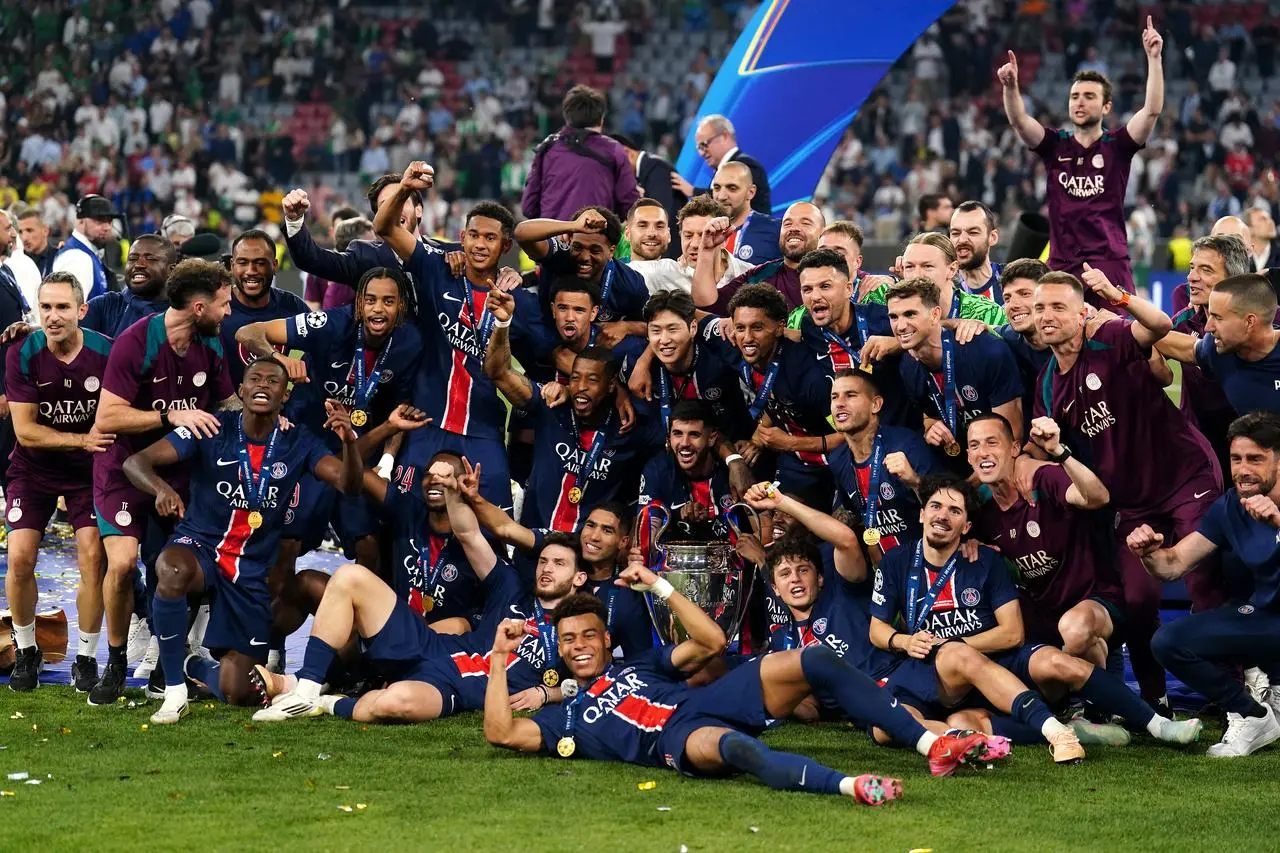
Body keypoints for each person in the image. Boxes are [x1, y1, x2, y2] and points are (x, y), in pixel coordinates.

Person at [485, 563, 1014, 795]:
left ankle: (931, 742)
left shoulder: (637, 664)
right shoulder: (565, 717)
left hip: (710, 698)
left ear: (604, 639)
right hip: (675, 740)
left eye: (589, 636)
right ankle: (850, 785)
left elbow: (713, 642)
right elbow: (501, 733)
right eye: (570, 640)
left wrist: (659, 586)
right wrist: (497, 658)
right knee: (736, 750)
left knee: (814, 659)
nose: (580, 646)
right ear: (558, 645)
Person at [121, 357, 362, 724]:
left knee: (240, 692)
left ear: (285, 394)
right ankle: (173, 691)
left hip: (249, 571)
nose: (263, 385)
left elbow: (349, 484)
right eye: (255, 379)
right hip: (200, 546)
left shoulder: (299, 441)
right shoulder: (211, 427)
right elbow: (136, 463)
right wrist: (161, 489)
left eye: (273, 381)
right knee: (170, 569)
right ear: (242, 389)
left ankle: (195, 665)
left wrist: (349, 444)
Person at [1032, 269, 1223, 706]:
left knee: (1206, 577)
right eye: (1041, 308)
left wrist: (1117, 296)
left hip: (1183, 476)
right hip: (1131, 504)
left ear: (1083, 314)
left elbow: (1158, 327)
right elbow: (1045, 452)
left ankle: (1233, 695)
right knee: (1137, 601)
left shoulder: (1113, 339)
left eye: (1058, 307)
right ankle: (1154, 703)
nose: (1046, 316)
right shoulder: (1046, 383)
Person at [88, 259, 236, 707]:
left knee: (173, 565)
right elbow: (107, 416)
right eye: (223, 304)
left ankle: (162, 666)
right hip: (123, 468)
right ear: (197, 307)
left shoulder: (210, 344)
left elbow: (227, 402)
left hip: (178, 470)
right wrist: (170, 414)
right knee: (121, 563)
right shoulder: (138, 341)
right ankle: (115, 660)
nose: (228, 312)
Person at [254, 529, 584, 724]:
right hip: (431, 646)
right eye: (543, 561)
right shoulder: (514, 590)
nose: (546, 569)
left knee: (390, 704)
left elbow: (602, 679)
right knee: (350, 577)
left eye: (559, 564)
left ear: (579, 577)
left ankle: (322, 702)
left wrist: (548, 692)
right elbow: (469, 533)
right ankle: (306, 688)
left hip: (454, 689)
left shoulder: (581, 625)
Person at [375, 170, 548, 510]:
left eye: (490, 238)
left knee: (495, 515)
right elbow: (384, 227)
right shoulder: (437, 268)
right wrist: (406, 187)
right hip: (428, 420)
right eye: (473, 235)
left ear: (506, 246)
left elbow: (549, 355)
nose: (480, 245)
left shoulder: (521, 303)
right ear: (462, 237)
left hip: (482, 425)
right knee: (405, 512)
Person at [237, 266, 421, 568]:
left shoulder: (409, 341)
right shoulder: (331, 323)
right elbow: (249, 332)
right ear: (358, 302)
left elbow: (401, 405)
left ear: (401, 305)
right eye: (371, 300)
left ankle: (362, 611)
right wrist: (280, 359)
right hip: (307, 444)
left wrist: (387, 461)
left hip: (354, 448)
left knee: (369, 544)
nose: (378, 309)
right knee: (289, 543)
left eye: (388, 301)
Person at [1129, 412, 1280, 756]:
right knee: (1168, 641)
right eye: (1236, 459)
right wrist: (1148, 553)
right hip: (1265, 619)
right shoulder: (1230, 506)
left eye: (1255, 459)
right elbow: (1175, 564)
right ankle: (1253, 714)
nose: (1243, 470)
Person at [4, 273, 114, 692]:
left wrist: (90, 446)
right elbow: (27, 431)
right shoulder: (22, 351)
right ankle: (27, 650)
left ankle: (86, 658)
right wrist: (82, 439)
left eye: (63, 307)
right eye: (45, 307)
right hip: (33, 469)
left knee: (92, 558)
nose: (52, 316)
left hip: (89, 473)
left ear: (81, 311)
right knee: (19, 558)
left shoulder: (107, 351)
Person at [999, 17, 1164, 296]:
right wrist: (1011, 87)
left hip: (1109, 263)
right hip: (1062, 265)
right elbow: (1019, 121)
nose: (1080, 102)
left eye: (1089, 96)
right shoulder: (1055, 145)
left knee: (1117, 337)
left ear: (1106, 107)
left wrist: (1154, 58)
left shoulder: (1117, 145)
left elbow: (1150, 111)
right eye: (1075, 96)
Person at [484, 283, 658, 541]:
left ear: (612, 386)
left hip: (589, 555)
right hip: (535, 546)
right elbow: (498, 372)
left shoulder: (629, 428)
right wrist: (502, 325)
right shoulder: (552, 406)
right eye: (575, 378)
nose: (581, 388)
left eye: (592, 381)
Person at [967, 413, 1122, 665]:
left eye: (992, 442)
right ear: (968, 457)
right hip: (1043, 615)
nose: (983, 452)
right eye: (975, 446)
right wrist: (969, 544)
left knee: (1074, 630)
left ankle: (1102, 697)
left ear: (1015, 448)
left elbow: (1097, 497)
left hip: (1094, 601)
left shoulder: (1042, 478)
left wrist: (1059, 453)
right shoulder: (981, 510)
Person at [460, 483, 656, 661]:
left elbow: (640, 660)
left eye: (607, 531)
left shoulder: (625, 594)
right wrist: (474, 497)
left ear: (623, 541)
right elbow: (506, 528)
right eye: (590, 525)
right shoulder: (562, 543)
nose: (594, 536)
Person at [718, 282, 839, 502]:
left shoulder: (808, 376)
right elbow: (689, 315)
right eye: (740, 327)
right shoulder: (736, 352)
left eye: (757, 327)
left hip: (832, 464)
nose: (746, 338)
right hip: (792, 462)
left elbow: (848, 436)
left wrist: (790, 443)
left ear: (780, 327)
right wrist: (757, 437)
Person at [887, 278, 1023, 461]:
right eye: (893, 317)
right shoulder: (908, 365)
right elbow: (929, 416)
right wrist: (930, 427)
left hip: (1003, 463)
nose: (900, 326)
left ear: (935, 315)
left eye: (910, 314)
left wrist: (969, 487)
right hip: (960, 459)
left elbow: (1011, 438)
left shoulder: (988, 352)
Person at [1154, 236, 1255, 468]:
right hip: (1198, 448)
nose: (1191, 277)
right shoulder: (1185, 321)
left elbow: (1196, 350)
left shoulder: (1265, 320)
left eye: (1205, 270)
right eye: (1191, 268)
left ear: (1233, 279)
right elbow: (1151, 358)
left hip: (1252, 447)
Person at [827, 369, 943, 557]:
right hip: (887, 571)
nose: (839, 404)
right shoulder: (837, 460)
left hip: (928, 559)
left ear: (876, 404)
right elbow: (855, 513)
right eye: (834, 397)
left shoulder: (907, 444)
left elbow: (946, 504)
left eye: (850, 395)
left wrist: (914, 481)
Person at [281, 173, 459, 288]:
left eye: (401, 201)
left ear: (419, 209)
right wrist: (294, 221)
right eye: (386, 206)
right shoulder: (364, 256)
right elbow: (312, 259)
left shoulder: (449, 255)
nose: (394, 210)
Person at [1158, 273, 1280, 417]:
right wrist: (1128, 329)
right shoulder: (1216, 349)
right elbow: (1185, 347)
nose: (1208, 327)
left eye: (1218, 318)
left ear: (1249, 322)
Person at [516, 204, 650, 333]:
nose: (585, 257)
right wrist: (572, 226)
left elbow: (652, 326)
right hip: (550, 339)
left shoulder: (630, 285)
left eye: (595, 250)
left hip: (600, 349)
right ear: (569, 241)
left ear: (611, 251)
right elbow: (521, 233)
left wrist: (626, 327)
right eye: (578, 247)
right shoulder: (560, 254)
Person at [521, 85, 639, 221]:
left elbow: (528, 207)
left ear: (567, 117)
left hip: (552, 238)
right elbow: (630, 206)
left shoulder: (547, 148)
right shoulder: (614, 150)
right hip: (596, 238)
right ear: (601, 118)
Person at [692, 202, 824, 315]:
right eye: (787, 224)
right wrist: (707, 250)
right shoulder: (759, 275)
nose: (794, 228)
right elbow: (708, 305)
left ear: (823, 233)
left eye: (805, 223)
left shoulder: (837, 278)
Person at [219, 229, 308, 386]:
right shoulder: (217, 310)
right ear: (232, 266)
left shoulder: (293, 307)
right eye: (243, 263)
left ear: (274, 265)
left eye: (260, 263)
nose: (251, 271)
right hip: (226, 407)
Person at [862, 233, 1006, 326]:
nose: (917, 275)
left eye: (927, 266)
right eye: (910, 267)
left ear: (952, 269)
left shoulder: (985, 313)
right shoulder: (884, 303)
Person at [626, 195, 753, 297]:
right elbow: (619, 273)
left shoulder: (752, 276)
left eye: (705, 235)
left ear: (724, 240)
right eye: (688, 235)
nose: (695, 244)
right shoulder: (666, 274)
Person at [674, 114, 772, 215]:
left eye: (704, 144)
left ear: (724, 136)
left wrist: (693, 191)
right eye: (699, 148)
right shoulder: (720, 169)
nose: (701, 153)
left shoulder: (746, 165)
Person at [611, 133, 685, 260]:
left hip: (668, 254)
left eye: (615, 165)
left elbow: (660, 212)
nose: (616, 172)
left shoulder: (656, 168)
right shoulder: (647, 169)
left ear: (627, 153)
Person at [709, 161, 781, 265]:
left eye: (732, 188)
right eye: (717, 188)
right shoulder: (704, 231)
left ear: (750, 192)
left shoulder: (775, 230)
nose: (721, 196)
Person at [52, 194, 120, 302]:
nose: (107, 227)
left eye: (109, 221)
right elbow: (68, 309)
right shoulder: (77, 258)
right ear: (81, 222)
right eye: (100, 221)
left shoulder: (88, 253)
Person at [818, 221, 895, 303]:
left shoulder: (880, 295)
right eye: (823, 252)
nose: (828, 257)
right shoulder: (809, 298)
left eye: (838, 253)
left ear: (857, 262)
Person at [950, 201, 1003, 305]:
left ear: (992, 237)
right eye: (956, 233)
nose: (962, 240)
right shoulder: (943, 291)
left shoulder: (1013, 280)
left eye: (973, 232)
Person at [0, 208, 40, 315]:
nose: (13, 234)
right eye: (8, 228)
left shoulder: (10, 267)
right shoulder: (10, 266)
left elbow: (25, 313)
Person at [15, 207, 56, 276]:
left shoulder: (59, 257)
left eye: (29, 230)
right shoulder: (16, 262)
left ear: (45, 231)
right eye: (20, 232)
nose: (24, 238)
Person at [1244, 207, 1279, 272]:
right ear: (1249, 228)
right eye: (1263, 219)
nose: (1271, 222)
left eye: (1270, 218)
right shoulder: (1240, 258)